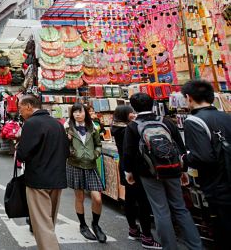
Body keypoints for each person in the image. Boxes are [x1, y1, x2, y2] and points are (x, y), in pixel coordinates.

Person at [123, 93, 201, 250]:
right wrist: (183, 170)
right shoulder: (166, 121)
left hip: (148, 173)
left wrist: (128, 171)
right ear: (152, 104)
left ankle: (170, 247)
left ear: (134, 107)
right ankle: (195, 245)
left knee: (160, 210)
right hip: (172, 169)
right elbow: (180, 146)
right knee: (180, 208)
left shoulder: (133, 126)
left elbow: (128, 152)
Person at [181, 80, 231, 250]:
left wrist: (185, 158)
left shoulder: (194, 121)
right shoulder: (226, 117)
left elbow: (203, 157)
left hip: (217, 185)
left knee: (223, 230)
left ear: (189, 98)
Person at [16, 95, 69, 250]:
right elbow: (66, 150)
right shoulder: (57, 124)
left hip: (38, 179)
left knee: (42, 223)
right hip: (57, 178)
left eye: (20, 107)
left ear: (28, 106)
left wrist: (19, 145)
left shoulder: (31, 123)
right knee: (49, 221)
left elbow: (23, 154)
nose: (19, 111)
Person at [111, 105, 161, 249]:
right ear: (125, 115)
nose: (134, 114)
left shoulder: (117, 128)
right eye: (131, 113)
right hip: (135, 168)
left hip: (125, 167)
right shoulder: (128, 129)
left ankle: (133, 229)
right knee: (143, 202)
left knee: (130, 199)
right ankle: (147, 237)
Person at [64, 103, 107, 242]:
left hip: (90, 165)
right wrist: (70, 148)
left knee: (97, 198)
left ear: (85, 113)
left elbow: (99, 145)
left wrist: (95, 154)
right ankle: (83, 225)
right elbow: (63, 146)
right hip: (75, 165)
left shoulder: (93, 127)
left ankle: (96, 224)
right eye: (75, 112)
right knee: (79, 197)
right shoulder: (67, 127)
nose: (77, 114)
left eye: (80, 111)